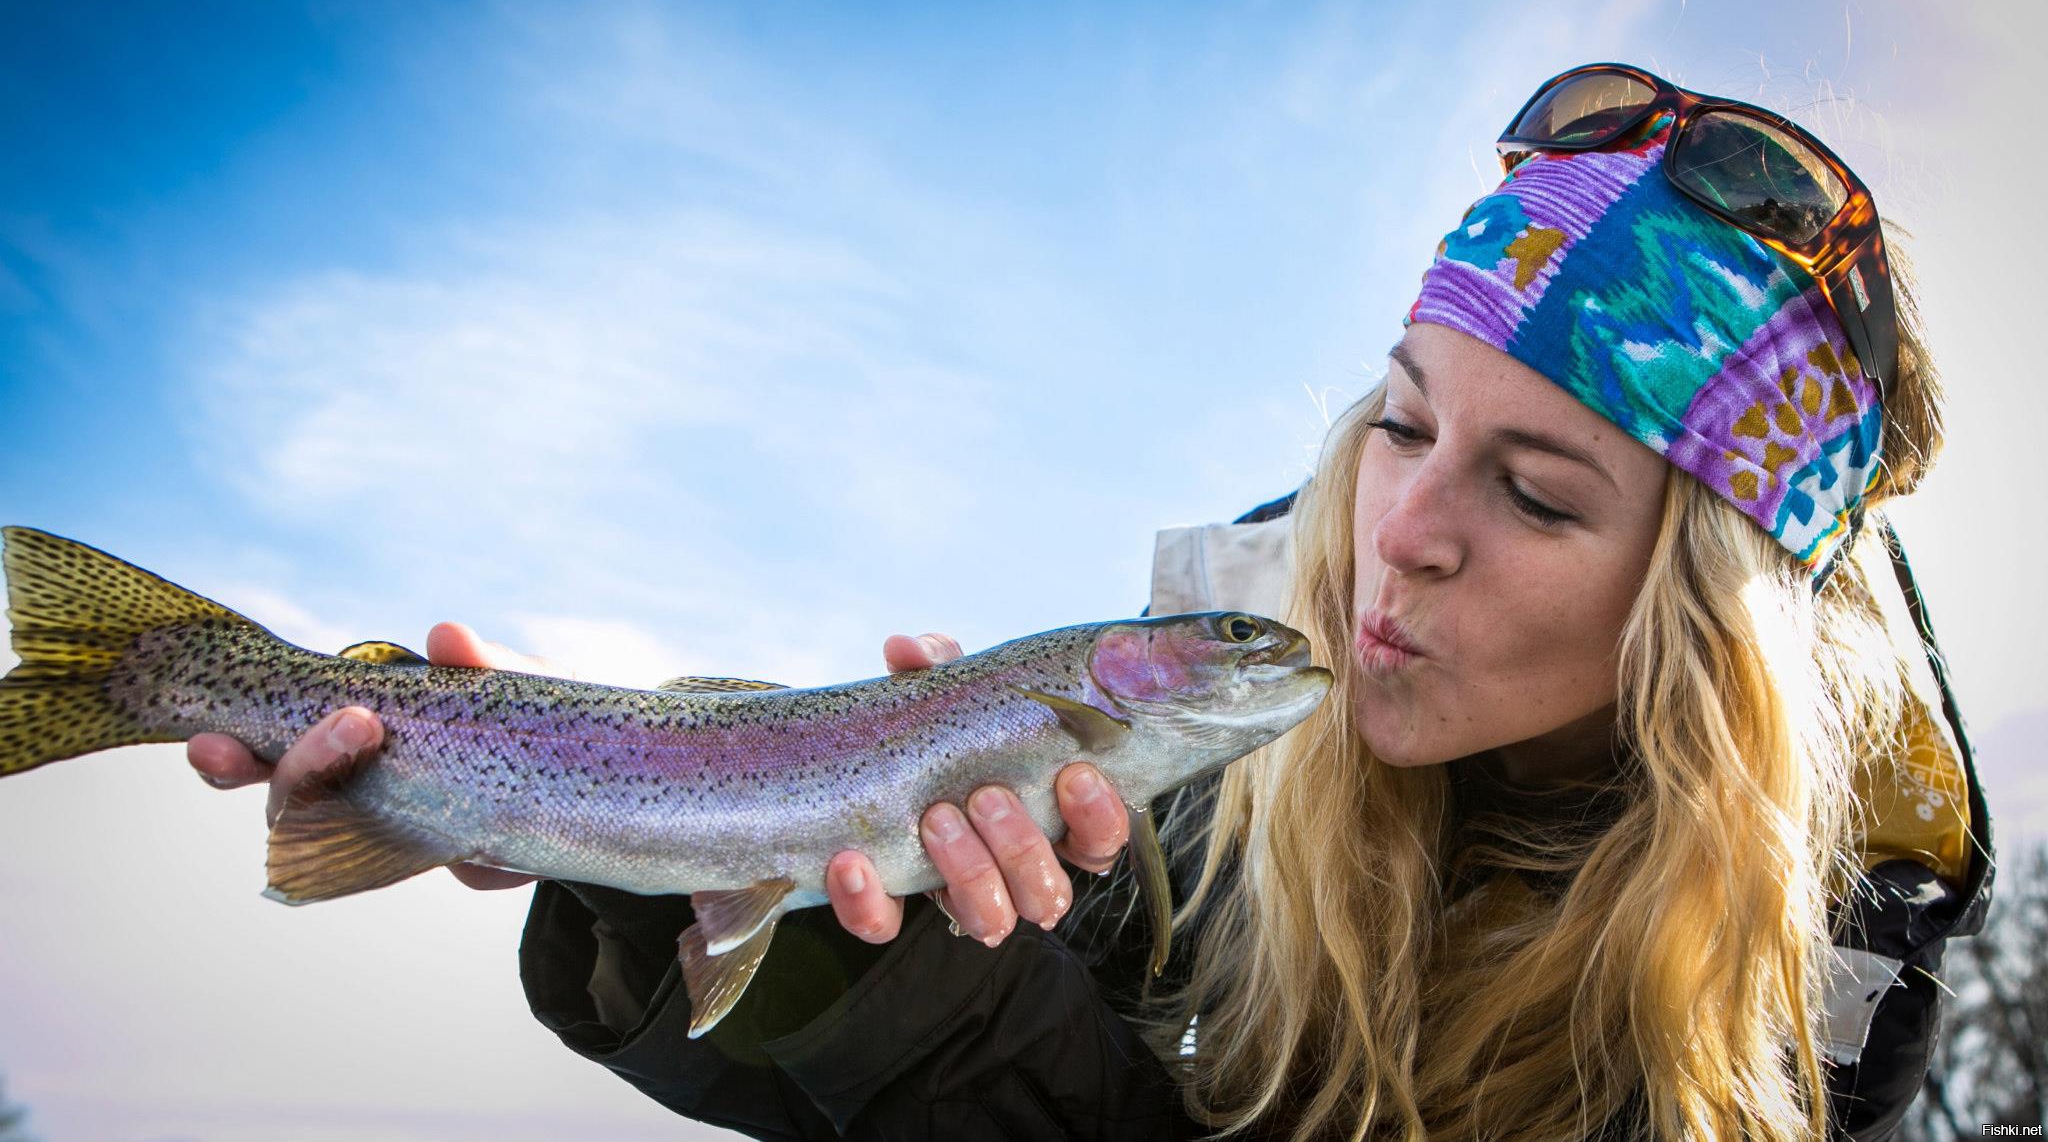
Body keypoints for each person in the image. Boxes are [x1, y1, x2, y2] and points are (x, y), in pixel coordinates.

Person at [189, 63, 1992, 1140]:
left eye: (1531, 492)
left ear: (1700, 629)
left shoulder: (1801, 1016)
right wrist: (749, 881)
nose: (1400, 532)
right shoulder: (1213, 736)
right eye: (1406, 422)